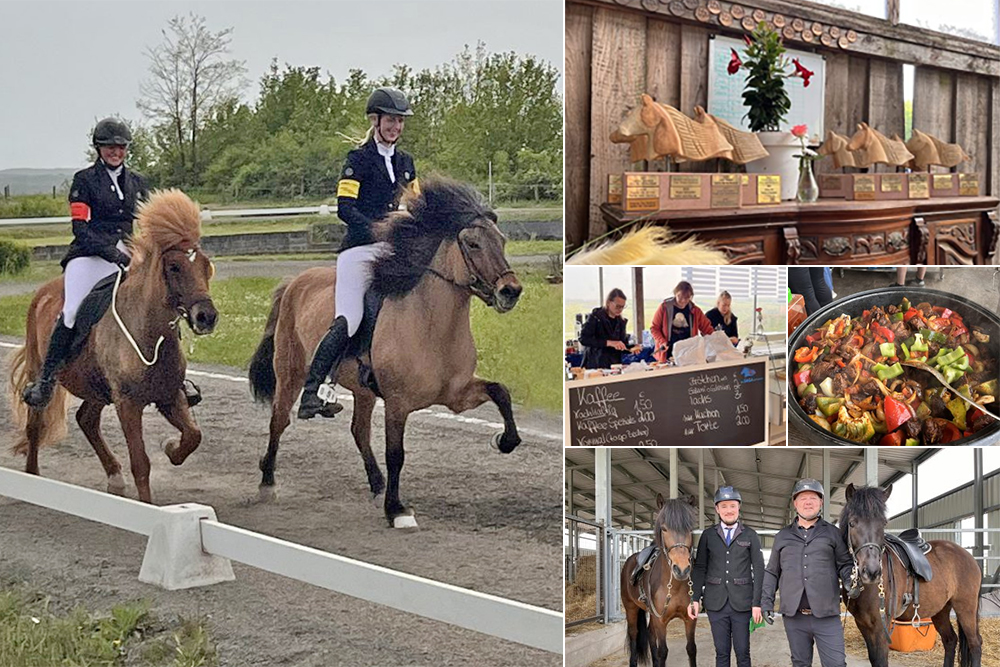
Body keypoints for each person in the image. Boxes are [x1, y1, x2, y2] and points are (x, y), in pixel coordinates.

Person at [21, 118, 201, 408]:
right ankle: (47, 379)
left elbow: (147, 226)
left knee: (159, 303)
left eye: (120, 147)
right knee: (71, 310)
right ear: (99, 149)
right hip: (89, 255)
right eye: (109, 147)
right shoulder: (84, 181)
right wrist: (112, 254)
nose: (115, 152)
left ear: (126, 149)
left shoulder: (138, 182)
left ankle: (177, 377)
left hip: (130, 254)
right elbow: (81, 228)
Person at [298, 87, 418, 419]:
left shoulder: (406, 163)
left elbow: (416, 205)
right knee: (349, 319)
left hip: (392, 251)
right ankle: (312, 390)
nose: (396, 127)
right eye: (391, 121)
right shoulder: (358, 160)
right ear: (376, 120)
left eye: (400, 122)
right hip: (359, 250)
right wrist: (379, 230)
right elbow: (345, 209)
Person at [761, 479, 859, 667]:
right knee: (800, 663)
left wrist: (850, 580)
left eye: (813, 498)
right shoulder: (782, 536)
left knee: (836, 664)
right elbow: (772, 571)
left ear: (821, 502)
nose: (808, 502)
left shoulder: (833, 533)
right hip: (794, 616)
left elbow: (845, 564)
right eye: (803, 498)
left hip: (826, 615)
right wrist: (766, 601)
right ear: (795, 503)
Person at [688, 486, 765, 667]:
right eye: (723, 506)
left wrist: (757, 603)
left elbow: (759, 569)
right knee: (721, 653)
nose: (728, 510)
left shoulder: (750, 535)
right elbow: (700, 568)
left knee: (743, 653)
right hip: (716, 603)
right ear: (717, 509)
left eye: (732, 505)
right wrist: (695, 598)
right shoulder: (708, 535)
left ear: (739, 507)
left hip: (743, 604)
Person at [649, 280, 715, 363]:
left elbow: (707, 329)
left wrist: (717, 339)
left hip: (688, 353)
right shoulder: (664, 308)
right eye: (680, 296)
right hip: (667, 353)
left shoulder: (695, 311)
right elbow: (654, 328)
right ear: (675, 293)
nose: (683, 300)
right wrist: (662, 341)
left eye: (687, 297)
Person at [578, 288, 641, 369]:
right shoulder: (595, 317)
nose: (620, 310)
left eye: (623, 307)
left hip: (614, 365)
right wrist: (609, 343)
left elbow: (622, 344)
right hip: (595, 364)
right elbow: (583, 339)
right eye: (617, 306)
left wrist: (631, 348)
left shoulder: (621, 322)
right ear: (608, 302)